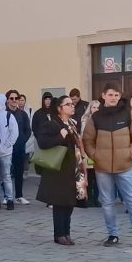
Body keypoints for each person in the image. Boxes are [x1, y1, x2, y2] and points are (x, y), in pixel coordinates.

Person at [83, 84, 132, 249]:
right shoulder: (96, 117)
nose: (113, 97)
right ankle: (112, 234)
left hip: (125, 167)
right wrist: (96, 156)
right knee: (107, 203)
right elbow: (87, 140)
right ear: (103, 96)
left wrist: (130, 153)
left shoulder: (129, 114)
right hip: (103, 168)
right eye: (110, 94)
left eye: (116, 95)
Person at [36, 95, 88, 245]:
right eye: (68, 104)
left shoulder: (72, 123)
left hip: (73, 169)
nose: (72, 106)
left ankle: (67, 232)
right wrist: (60, 136)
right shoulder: (51, 123)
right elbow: (43, 143)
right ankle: (59, 234)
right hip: (58, 170)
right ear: (59, 108)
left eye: (72, 104)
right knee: (60, 203)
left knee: (70, 202)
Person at [0, 93, 19, 210]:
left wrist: (7, 145)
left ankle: (9, 199)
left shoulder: (8, 116)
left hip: (6, 153)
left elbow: (14, 133)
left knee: (6, 177)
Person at [6, 90, 32, 205]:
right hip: (6, 148)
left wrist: (22, 140)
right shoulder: (4, 113)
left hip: (19, 148)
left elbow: (28, 129)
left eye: (16, 98)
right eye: (11, 98)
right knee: (5, 173)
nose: (14, 100)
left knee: (18, 172)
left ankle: (19, 196)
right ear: (7, 100)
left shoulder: (22, 114)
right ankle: (5, 196)